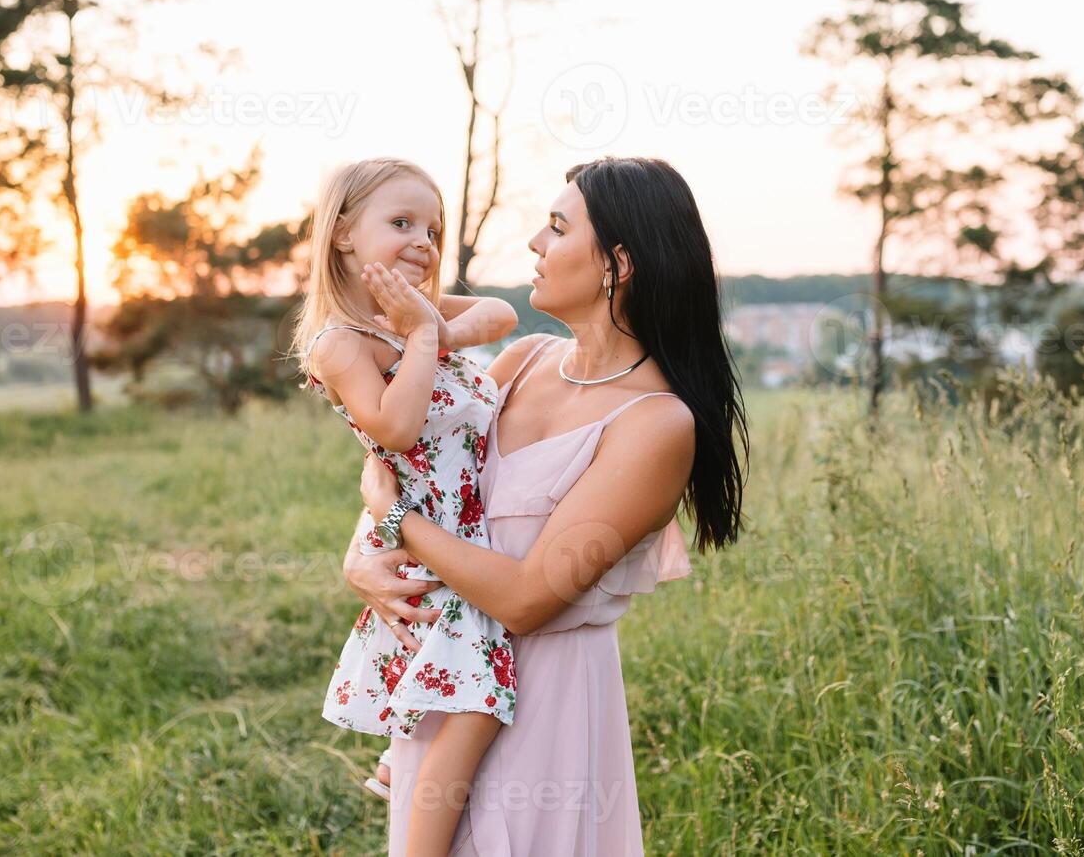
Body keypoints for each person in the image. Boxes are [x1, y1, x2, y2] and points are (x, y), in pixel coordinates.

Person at [346, 156, 748, 855]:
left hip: (546, 712)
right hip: (449, 681)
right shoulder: (520, 361)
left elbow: (530, 599)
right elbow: (420, 470)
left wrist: (394, 522)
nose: (534, 242)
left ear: (616, 264)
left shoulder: (656, 424)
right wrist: (362, 560)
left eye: (557, 228)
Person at [292, 157, 520, 856]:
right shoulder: (341, 341)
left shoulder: (411, 313)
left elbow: (503, 313)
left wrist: (431, 326)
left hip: (460, 529)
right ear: (343, 235)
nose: (423, 240)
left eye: (432, 227)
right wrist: (421, 338)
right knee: (481, 699)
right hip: (427, 538)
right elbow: (393, 427)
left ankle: (407, 771)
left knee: (467, 687)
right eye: (400, 223)